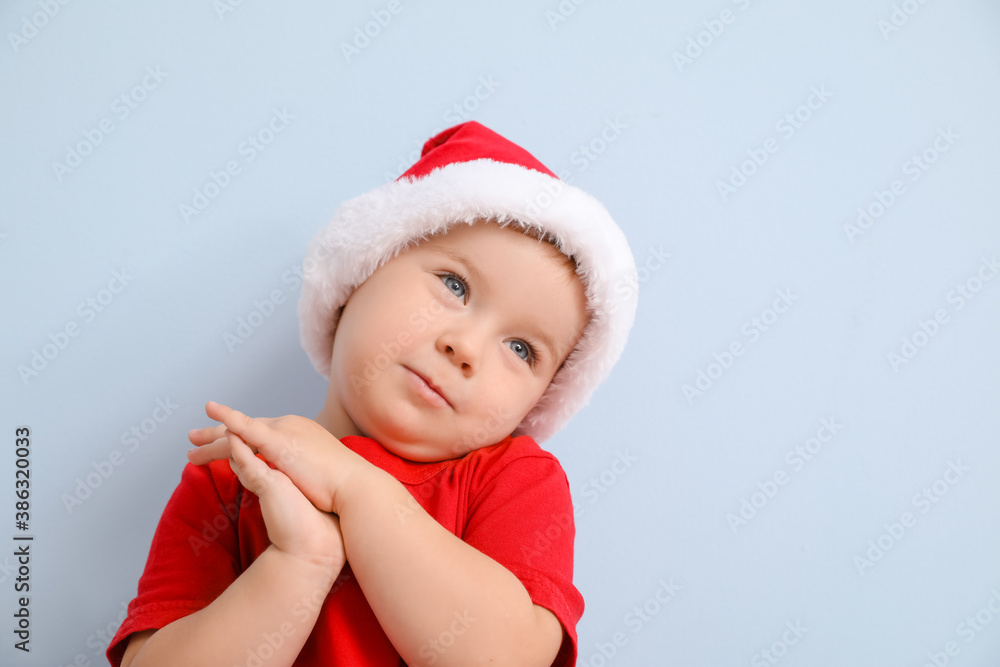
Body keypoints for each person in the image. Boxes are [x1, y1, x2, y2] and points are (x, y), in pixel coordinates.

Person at [106, 121, 638, 666]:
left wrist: (355, 490)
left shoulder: (514, 482)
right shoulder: (235, 474)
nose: (467, 348)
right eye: (454, 285)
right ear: (360, 271)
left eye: (523, 349)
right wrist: (300, 562)